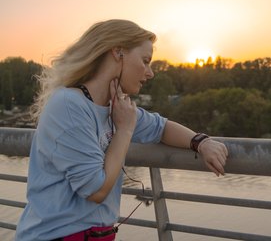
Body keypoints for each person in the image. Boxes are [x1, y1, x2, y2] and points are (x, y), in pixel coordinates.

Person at [15, 19, 228, 241]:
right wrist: (125, 131)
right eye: (145, 61)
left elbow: (161, 127)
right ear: (118, 52)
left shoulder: (116, 108)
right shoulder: (69, 105)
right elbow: (95, 190)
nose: (150, 73)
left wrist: (201, 142)